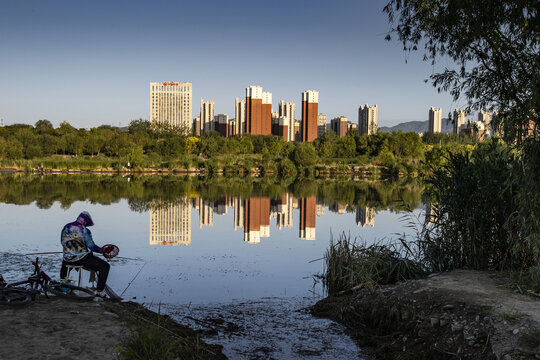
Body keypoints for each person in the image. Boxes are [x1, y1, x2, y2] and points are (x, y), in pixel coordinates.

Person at [60, 211, 110, 297]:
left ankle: (64, 286)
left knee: (65, 264)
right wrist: (102, 250)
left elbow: (62, 242)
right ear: (86, 222)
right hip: (81, 259)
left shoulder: (66, 227)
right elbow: (92, 247)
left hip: (67, 258)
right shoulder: (84, 230)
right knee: (105, 266)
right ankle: (99, 291)